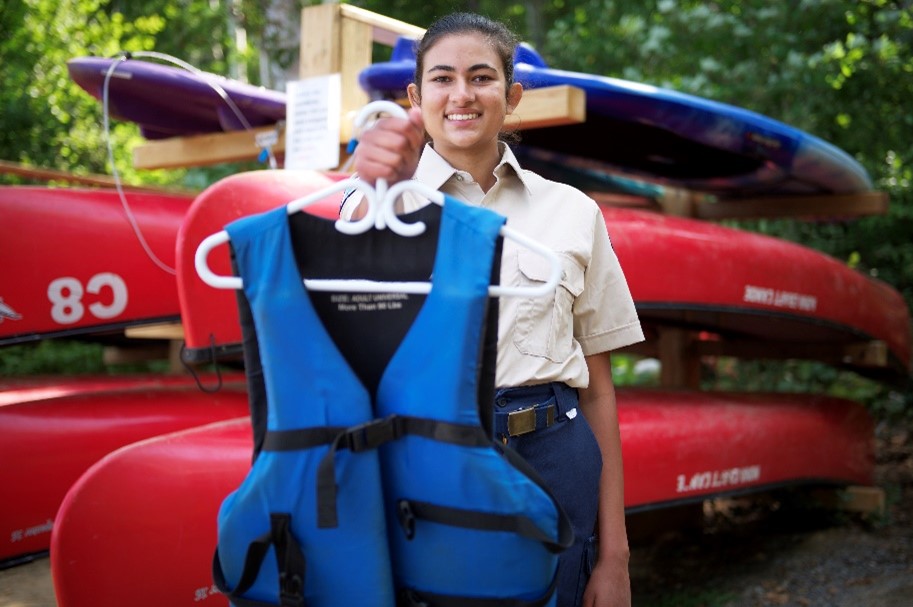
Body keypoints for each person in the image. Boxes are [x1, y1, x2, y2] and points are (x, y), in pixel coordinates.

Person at [344, 12, 644, 607]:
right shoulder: (368, 202)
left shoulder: (573, 212)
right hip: (426, 456)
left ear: (511, 97)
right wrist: (381, 189)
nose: (461, 95)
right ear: (415, 97)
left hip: (555, 457)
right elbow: (340, 329)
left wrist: (615, 557)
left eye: (481, 78)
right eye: (442, 78)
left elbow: (600, 391)